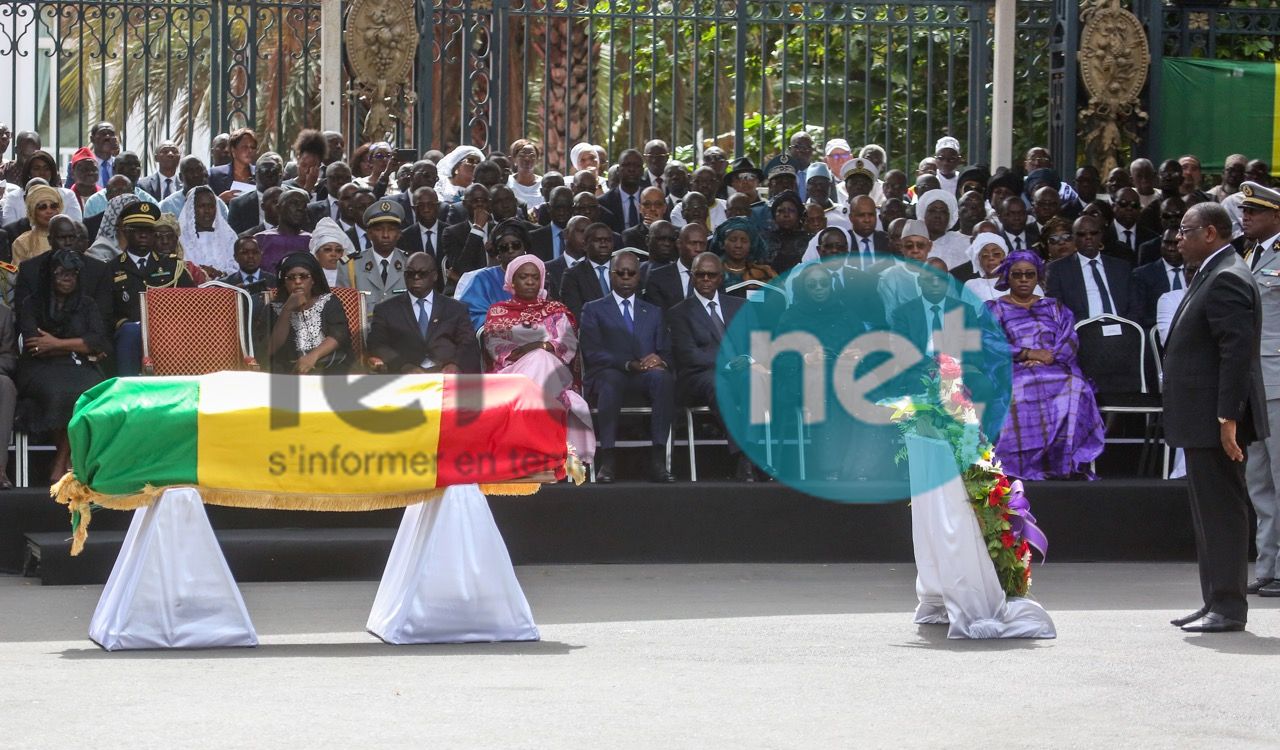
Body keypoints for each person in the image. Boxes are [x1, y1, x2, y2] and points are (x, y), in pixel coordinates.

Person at [1164, 202, 1267, 633]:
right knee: (1209, 513)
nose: (1177, 238)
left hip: (1216, 420)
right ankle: (1215, 601)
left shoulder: (1226, 276)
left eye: (1185, 230)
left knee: (1222, 512)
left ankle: (1227, 606)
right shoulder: (1214, 269)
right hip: (1202, 418)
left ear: (1210, 232)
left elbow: (1235, 353)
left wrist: (1228, 417)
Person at [985, 250, 1104, 480]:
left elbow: (1069, 339)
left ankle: (1064, 461)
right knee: (1018, 387)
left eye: (1029, 274)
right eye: (1017, 274)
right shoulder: (993, 308)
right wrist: (1027, 353)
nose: (1023, 280)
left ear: (1037, 277)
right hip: (1012, 368)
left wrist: (1048, 357)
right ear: (1007, 276)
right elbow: (988, 342)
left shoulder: (1054, 307)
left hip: (1054, 365)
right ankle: (1016, 464)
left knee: (1075, 386)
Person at [483, 253, 595, 464]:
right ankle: (542, 448)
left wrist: (539, 348)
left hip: (554, 371)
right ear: (512, 281)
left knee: (542, 358)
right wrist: (537, 348)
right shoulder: (499, 311)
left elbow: (567, 346)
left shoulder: (556, 310)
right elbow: (496, 348)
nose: (530, 282)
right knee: (539, 358)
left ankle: (528, 444)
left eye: (535, 277)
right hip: (512, 374)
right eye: (524, 277)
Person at [579, 250, 675, 483]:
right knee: (611, 382)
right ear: (611, 275)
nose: (625, 278)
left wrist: (659, 360)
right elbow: (592, 352)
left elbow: (666, 351)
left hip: (644, 375)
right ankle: (608, 460)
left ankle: (658, 459)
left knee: (663, 378)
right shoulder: (593, 308)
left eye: (630, 273)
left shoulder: (653, 311)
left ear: (638, 276)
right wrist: (626, 363)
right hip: (609, 372)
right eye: (619, 273)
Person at [17, 249, 111, 482]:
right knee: (58, 391)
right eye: (61, 273)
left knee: (91, 390)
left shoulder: (86, 304)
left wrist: (56, 343)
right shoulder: (33, 304)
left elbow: (99, 341)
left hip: (79, 366)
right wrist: (80, 345)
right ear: (50, 275)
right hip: (41, 367)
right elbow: (35, 346)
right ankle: (69, 462)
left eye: (73, 274)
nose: (67, 279)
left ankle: (61, 459)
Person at [1234, 183, 1280, 597]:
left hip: (1279, 379)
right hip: (1254, 380)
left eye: (1256, 211)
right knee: (1260, 480)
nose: (1246, 216)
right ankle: (1268, 567)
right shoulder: (1249, 254)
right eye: (1245, 210)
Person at [110, 202, 196, 376]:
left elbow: (191, 305)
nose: (143, 235)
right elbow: (105, 313)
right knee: (130, 331)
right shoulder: (111, 269)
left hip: (171, 335)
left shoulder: (173, 266)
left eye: (148, 230)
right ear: (126, 232)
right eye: (137, 229)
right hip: (130, 337)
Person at [367, 251, 480, 374]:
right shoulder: (385, 309)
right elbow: (377, 345)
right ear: (405, 276)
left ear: (435, 276)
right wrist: (403, 366)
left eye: (422, 273)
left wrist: (455, 364)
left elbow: (468, 344)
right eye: (411, 273)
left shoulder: (456, 308)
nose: (416, 277)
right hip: (405, 376)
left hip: (447, 374)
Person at [267, 252, 352, 374]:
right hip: (288, 372)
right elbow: (270, 348)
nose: (297, 281)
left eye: (303, 276)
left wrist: (312, 356)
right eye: (291, 277)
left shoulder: (328, 301)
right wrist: (287, 309)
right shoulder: (272, 308)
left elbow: (339, 334)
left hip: (329, 367)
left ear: (313, 280)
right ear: (284, 282)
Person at [1045, 214, 1132, 323]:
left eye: (1093, 233)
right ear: (1074, 238)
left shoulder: (1121, 267)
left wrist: (1128, 327)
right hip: (1082, 332)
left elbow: (1135, 306)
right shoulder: (1057, 270)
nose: (1088, 237)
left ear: (1100, 235)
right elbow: (1057, 309)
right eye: (1082, 234)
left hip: (1122, 329)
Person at [459, 219, 529, 327]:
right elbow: (472, 316)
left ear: (525, 247)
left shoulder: (538, 275)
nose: (510, 250)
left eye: (516, 245)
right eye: (504, 247)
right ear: (498, 253)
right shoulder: (482, 280)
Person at [349, 199, 409, 308]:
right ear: (369, 234)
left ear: (399, 234)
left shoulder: (409, 263)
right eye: (379, 229)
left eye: (391, 229)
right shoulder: (350, 266)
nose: (385, 235)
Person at [1126, 229, 1184, 330]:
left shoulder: (1197, 271)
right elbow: (1137, 314)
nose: (1171, 248)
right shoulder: (1142, 275)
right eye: (1167, 243)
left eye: (1176, 243)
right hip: (1156, 333)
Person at [177, 185, 238, 277]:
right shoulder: (180, 238)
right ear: (191, 209)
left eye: (211, 206)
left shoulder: (228, 236)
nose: (207, 211)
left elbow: (238, 268)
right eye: (202, 206)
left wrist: (219, 274)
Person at [558, 221, 616, 319]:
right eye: (598, 240)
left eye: (608, 240)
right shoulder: (573, 275)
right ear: (585, 245)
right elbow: (576, 313)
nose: (603, 244)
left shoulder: (624, 270)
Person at [963, 232, 1034, 304]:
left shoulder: (1022, 281)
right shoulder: (972, 285)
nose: (991, 258)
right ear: (978, 260)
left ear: (1005, 257)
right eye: (985, 255)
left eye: (996, 254)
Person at [255, 187, 312, 274]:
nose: (300, 208)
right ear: (278, 208)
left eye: (303, 205)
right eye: (294, 203)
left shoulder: (312, 240)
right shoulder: (260, 239)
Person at [711, 217, 776, 292]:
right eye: (733, 240)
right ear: (721, 244)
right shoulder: (712, 272)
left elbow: (778, 298)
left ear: (751, 245)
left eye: (744, 241)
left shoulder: (765, 272)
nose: (738, 245)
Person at [917, 189, 968, 269]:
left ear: (949, 217)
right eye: (932, 211)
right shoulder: (914, 245)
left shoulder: (964, 243)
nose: (937, 215)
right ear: (924, 215)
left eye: (943, 212)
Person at [12, 184, 62, 263]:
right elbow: (17, 273)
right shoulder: (23, 242)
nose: (49, 211)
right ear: (32, 211)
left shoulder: (70, 238)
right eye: (42, 207)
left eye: (53, 206)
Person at [761, 190, 808, 274]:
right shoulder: (764, 240)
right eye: (780, 211)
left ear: (799, 215)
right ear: (774, 215)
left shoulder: (809, 240)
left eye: (791, 210)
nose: (786, 215)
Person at [307, 218, 354, 289]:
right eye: (327, 250)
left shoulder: (353, 277)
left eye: (338, 250)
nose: (334, 254)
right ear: (316, 254)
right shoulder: (309, 279)